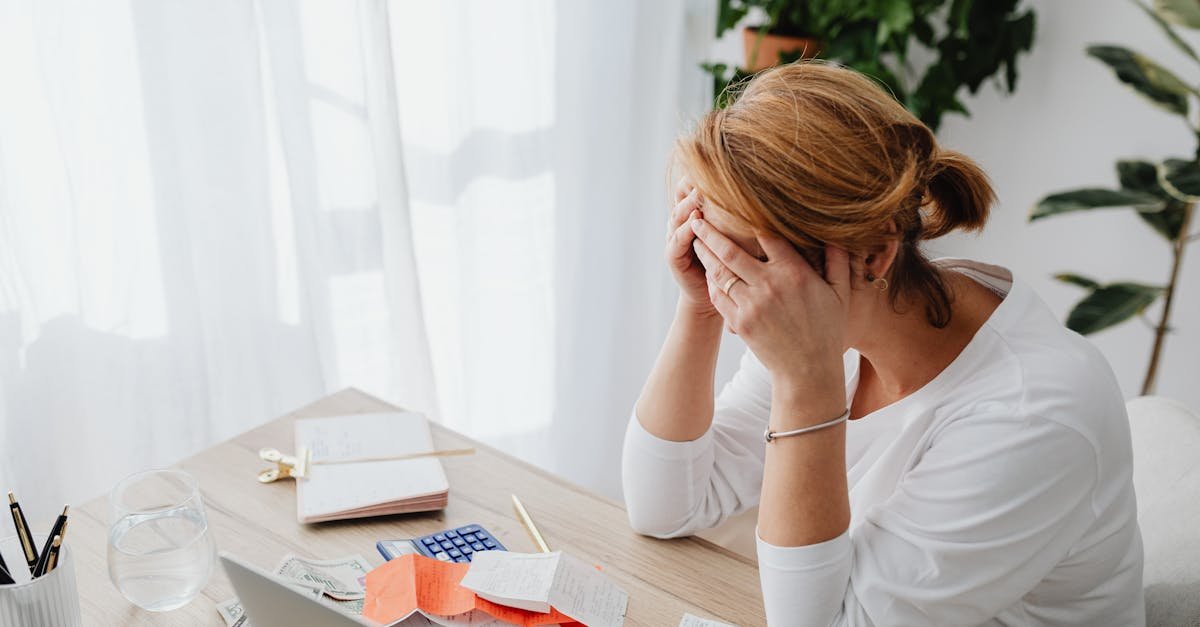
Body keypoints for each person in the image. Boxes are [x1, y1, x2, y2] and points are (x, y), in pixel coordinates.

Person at [621, 61, 1144, 626]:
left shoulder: (1034, 414)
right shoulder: (843, 311)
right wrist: (698, 306)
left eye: (745, 261)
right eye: (709, 246)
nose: (732, 288)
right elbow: (664, 507)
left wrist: (806, 381)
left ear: (873, 255)